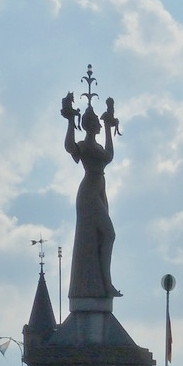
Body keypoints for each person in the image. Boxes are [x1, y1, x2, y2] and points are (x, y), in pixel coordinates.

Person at [62, 93, 122, 299]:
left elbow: (109, 156)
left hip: (99, 191)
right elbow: (70, 147)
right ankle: (107, 283)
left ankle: (104, 284)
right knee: (109, 234)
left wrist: (108, 125)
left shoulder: (96, 147)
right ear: (89, 125)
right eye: (96, 121)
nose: (98, 123)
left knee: (99, 238)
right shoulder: (85, 145)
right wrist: (70, 120)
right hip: (89, 193)